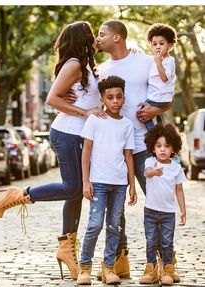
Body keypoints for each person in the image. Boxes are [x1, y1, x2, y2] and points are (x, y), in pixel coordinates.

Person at [0, 21, 106, 280]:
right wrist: (85, 111)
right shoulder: (75, 62)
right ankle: (17, 195)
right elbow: (52, 99)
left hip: (79, 134)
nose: (97, 38)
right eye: (93, 34)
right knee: (74, 188)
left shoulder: (85, 65)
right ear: (83, 38)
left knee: (75, 195)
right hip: (67, 133)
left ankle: (66, 249)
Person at [95, 20, 176, 280]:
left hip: (144, 145)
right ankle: (120, 261)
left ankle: (166, 263)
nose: (98, 38)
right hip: (114, 150)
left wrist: (156, 109)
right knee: (114, 210)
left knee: (159, 204)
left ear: (117, 37)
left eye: (102, 34)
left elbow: (166, 93)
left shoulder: (145, 60)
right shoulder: (101, 69)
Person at [77, 76, 137, 285]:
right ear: (102, 98)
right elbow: (86, 151)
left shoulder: (128, 125)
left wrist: (132, 186)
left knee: (114, 226)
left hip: (120, 184)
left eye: (119, 97)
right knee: (94, 224)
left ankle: (108, 267)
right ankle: (84, 267)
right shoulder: (95, 120)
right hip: (98, 182)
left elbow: (128, 155)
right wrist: (86, 181)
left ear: (124, 98)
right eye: (110, 97)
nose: (115, 101)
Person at [139, 123, 186, 285]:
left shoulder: (176, 168)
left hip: (168, 213)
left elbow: (179, 190)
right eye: (158, 146)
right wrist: (154, 171)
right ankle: (151, 270)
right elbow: (147, 173)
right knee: (151, 241)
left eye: (167, 146)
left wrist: (183, 211)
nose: (163, 149)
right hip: (150, 211)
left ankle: (167, 270)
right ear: (153, 148)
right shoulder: (150, 162)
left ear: (173, 149)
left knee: (167, 242)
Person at [144, 23, 177, 130]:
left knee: (142, 112)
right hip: (157, 96)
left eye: (161, 43)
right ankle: (158, 126)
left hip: (160, 97)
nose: (158, 46)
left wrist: (158, 63)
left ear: (170, 45)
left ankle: (153, 130)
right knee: (151, 113)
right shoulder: (155, 58)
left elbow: (164, 78)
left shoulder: (169, 61)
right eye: (154, 44)